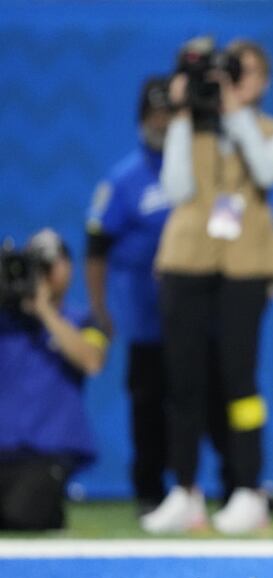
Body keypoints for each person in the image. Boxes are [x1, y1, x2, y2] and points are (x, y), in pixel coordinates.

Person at [141, 37, 273, 534]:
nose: (229, 81)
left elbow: (267, 172)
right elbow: (177, 189)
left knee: (240, 381)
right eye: (225, 73)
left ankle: (248, 491)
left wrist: (234, 114)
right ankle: (185, 491)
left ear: (261, 83)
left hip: (246, 267)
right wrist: (185, 113)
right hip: (186, 262)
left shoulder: (272, 130)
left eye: (240, 72)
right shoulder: (189, 128)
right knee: (183, 383)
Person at [85, 76, 230, 516]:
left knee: (215, 398)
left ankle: (238, 486)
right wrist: (100, 308)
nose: (163, 122)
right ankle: (149, 491)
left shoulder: (213, 166)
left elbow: (231, 221)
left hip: (201, 307)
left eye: (171, 113)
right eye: (155, 114)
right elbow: (96, 249)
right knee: (149, 403)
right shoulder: (124, 179)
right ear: (142, 120)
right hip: (146, 313)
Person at [0, 230, 106, 530]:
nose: (42, 275)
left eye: (48, 266)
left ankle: (50, 510)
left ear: (67, 269)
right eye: (35, 267)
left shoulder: (82, 320)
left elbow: (92, 360)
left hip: (45, 454)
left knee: (23, 516)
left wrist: (44, 310)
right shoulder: (5, 321)